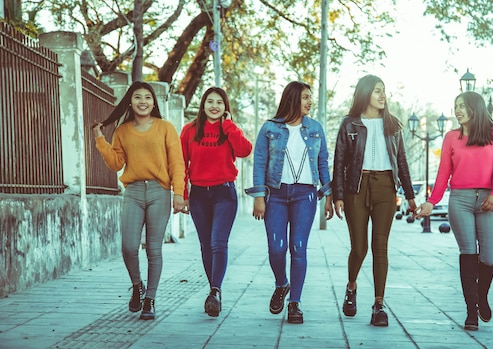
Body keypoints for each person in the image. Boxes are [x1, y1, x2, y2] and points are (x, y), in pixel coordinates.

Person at [92, 81, 186, 320]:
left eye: (147, 97)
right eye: (137, 97)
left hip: (159, 192)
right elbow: (116, 164)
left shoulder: (165, 127)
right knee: (129, 246)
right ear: (130, 102)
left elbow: (177, 163)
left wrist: (178, 193)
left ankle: (150, 300)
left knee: (154, 249)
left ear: (154, 102)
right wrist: (101, 140)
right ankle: (137, 286)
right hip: (133, 191)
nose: (142, 101)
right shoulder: (122, 131)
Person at [332, 74, 417, 327]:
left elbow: (401, 162)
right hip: (355, 189)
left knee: (380, 248)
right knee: (359, 248)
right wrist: (338, 195)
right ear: (365, 93)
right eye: (377, 90)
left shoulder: (393, 125)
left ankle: (379, 305)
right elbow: (339, 162)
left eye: (384, 91)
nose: (382, 95)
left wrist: (411, 197)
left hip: (385, 188)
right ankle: (351, 286)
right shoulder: (350, 125)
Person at [246, 81, 333, 324]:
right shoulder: (269, 128)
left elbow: (323, 162)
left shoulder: (315, 128)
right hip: (276, 194)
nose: (309, 102)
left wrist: (328, 196)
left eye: (310, 97)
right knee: (276, 247)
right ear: (293, 99)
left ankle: (295, 303)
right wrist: (259, 198)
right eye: (305, 97)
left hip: (305, 195)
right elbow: (260, 163)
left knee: (298, 247)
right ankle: (281, 283)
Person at [417, 91, 493, 331]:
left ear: (475, 109)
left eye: (462, 106)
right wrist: (431, 202)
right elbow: (443, 172)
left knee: (488, 256)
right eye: (456, 106)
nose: (458, 111)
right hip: (460, 200)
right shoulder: (451, 138)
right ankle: (471, 312)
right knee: (468, 252)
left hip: (487, 200)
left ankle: (482, 297)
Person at [179, 87, 252, 317]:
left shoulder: (229, 130)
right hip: (199, 194)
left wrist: (228, 126)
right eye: (210, 101)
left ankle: (215, 290)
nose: (214, 106)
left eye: (219, 102)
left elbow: (245, 150)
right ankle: (214, 292)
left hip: (224, 193)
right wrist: (182, 194)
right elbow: (181, 163)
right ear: (203, 105)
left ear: (225, 107)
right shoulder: (189, 130)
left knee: (218, 242)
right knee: (205, 245)